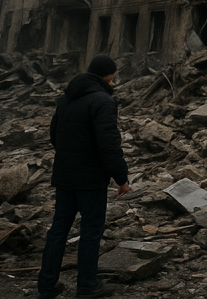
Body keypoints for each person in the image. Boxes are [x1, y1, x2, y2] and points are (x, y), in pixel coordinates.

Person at [37, 54, 130, 299]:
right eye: (113, 75)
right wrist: (121, 177)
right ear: (108, 75)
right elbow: (108, 144)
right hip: (90, 181)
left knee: (58, 229)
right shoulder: (103, 102)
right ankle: (87, 284)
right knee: (91, 230)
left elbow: (54, 137)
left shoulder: (66, 99)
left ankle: (46, 286)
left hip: (65, 176)